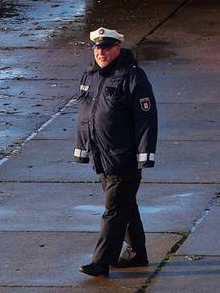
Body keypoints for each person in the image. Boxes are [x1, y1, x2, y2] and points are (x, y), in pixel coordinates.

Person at [74, 27, 158, 278]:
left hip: (124, 157)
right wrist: (81, 148)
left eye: (107, 48)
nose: (101, 52)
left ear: (118, 48)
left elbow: (146, 118)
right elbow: (84, 116)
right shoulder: (90, 76)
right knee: (124, 206)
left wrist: (145, 154)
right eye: (98, 48)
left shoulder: (133, 77)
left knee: (113, 209)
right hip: (101, 156)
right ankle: (136, 254)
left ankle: (101, 262)